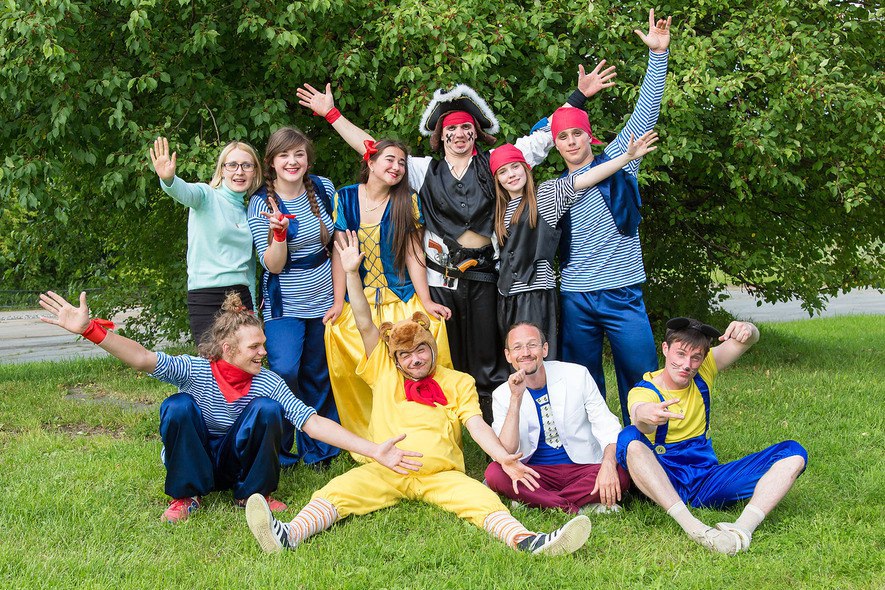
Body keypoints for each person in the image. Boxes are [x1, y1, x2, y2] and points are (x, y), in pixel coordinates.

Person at [296, 62, 615, 420]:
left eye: (466, 127)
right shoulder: (424, 170)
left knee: (488, 350)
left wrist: (578, 97)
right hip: (440, 278)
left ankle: (495, 416)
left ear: (476, 133)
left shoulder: (495, 163)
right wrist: (332, 114)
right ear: (441, 136)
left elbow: (543, 137)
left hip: (486, 276)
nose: (459, 134)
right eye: (452, 129)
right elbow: (373, 149)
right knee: (447, 352)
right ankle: (449, 416)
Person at [244, 232, 592, 556]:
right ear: (395, 358)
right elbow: (364, 321)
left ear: (432, 348)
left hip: (441, 474)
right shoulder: (382, 369)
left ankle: (528, 541)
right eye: (406, 355)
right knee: (336, 491)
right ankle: (288, 534)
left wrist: (503, 457)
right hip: (386, 468)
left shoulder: (458, 381)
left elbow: (476, 425)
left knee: (480, 498)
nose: (415, 360)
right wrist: (351, 273)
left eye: (421, 351)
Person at [37, 290, 422, 523]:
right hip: (200, 460)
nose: (263, 352)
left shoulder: (268, 381)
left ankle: (252, 494)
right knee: (177, 405)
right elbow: (141, 358)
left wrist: (374, 450)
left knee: (268, 410)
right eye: (255, 347)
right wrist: (90, 330)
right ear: (227, 349)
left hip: (239, 464)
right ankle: (187, 496)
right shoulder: (193, 369)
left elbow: (311, 423)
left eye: (263, 345)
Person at [556, 9, 671, 424]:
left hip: (622, 292)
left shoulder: (620, 160)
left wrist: (658, 55)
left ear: (590, 136)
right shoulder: (553, 189)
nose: (572, 142)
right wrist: (574, 98)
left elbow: (646, 111)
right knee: (581, 383)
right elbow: (530, 140)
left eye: (577, 133)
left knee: (642, 377)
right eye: (563, 137)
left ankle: (645, 445)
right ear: (557, 145)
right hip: (576, 297)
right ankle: (595, 450)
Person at [616, 318, 808, 555]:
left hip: (706, 478)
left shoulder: (704, 369)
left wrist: (749, 330)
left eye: (695, 357)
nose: (687, 365)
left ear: (703, 358)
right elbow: (639, 415)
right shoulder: (644, 390)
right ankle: (695, 528)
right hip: (664, 478)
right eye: (680, 354)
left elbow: (747, 341)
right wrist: (646, 415)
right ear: (665, 349)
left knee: (793, 453)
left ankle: (742, 529)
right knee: (629, 437)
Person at [325, 139, 453, 447]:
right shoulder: (345, 197)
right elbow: (339, 254)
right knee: (340, 334)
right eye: (390, 160)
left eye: (402, 163)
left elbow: (413, 253)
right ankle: (367, 434)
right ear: (370, 163)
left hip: (400, 296)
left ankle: (424, 429)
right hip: (361, 299)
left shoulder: (407, 200)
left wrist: (426, 300)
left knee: (429, 333)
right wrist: (338, 302)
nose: (397, 167)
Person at [490, 130, 659, 358]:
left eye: (515, 167)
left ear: (526, 168)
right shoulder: (497, 211)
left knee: (539, 358)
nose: (511, 175)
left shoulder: (546, 195)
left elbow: (588, 178)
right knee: (514, 359)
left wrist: (626, 158)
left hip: (536, 294)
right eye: (503, 171)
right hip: (507, 297)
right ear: (497, 179)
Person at [247, 127, 340, 468]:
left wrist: (339, 298)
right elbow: (273, 264)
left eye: (299, 154)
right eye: (284, 155)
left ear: (307, 159)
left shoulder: (324, 188)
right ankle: (282, 448)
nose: (292, 161)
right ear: (271, 162)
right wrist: (279, 233)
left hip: (324, 297)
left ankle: (321, 451)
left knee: (318, 373)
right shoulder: (261, 202)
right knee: (285, 370)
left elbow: (336, 245)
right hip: (284, 301)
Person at [486, 322, 630, 514]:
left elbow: (607, 426)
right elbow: (507, 451)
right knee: (494, 473)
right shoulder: (502, 394)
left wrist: (608, 465)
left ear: (544, 349)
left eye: (532, 345)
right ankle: (577, 506)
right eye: (517, 347)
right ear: (508, 355)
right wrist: (516, 399)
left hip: (582, 467)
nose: (526, 353)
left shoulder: (577, 375)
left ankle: (539, 501)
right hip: (535, 473)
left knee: (621, 471)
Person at [149, 137, 262, 346]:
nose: (239, 171)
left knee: (243, 360)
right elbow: (185, 192)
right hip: (206, 296)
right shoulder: (206, 196)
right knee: (212, 360)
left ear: (255, 172)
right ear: (222, 170)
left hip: (241, 296)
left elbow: (249, 267)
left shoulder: (249, 211)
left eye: (247, 165)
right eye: (232, 165)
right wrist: (169, 180)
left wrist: (253, 308)